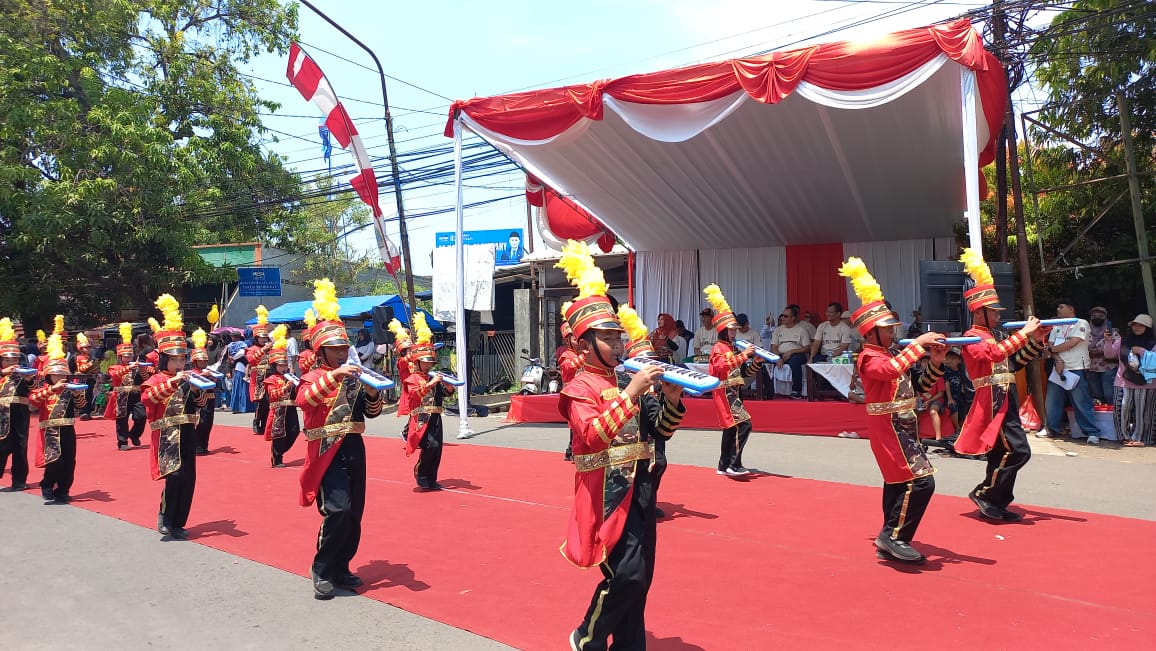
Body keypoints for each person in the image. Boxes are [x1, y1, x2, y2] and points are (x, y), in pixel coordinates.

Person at [553, 240, 684, 650]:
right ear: (584, 345)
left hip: (641, 487)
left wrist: (672, 401)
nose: (618, 345)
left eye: (617, 337)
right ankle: (587, 636)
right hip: (607, 493)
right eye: (608, 338)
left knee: (641, 577)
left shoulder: (627, 383)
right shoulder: (579, 388)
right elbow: (592, 436)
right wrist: (631, 392)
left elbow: (660, 432)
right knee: (625, 575)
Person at [840, 257, 946, 563]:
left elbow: (920, 386)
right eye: (886, 330)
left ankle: (890, 536)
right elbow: (890, 371)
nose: (892, 334)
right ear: (870, 333)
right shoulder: (868, 357)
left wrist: (935, 361)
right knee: (921, 481)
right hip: (888, 428)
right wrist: (919, 344)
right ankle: (894, 536)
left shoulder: (893, 353)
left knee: (898, 483)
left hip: (904, 428)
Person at [295, 279, 385, 600]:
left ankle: (341, 566)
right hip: (325, 451)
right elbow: (304, 401)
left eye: (343, 348)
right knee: (338, 509)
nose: (341, 353)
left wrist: (372, 393)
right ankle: (321, 567)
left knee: (355, 511)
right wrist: (333, 376)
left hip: (353, 448)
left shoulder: (355, 376)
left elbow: (371, 413)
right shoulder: (312, 377)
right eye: (334, 349)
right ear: (321, 351)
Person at [953, 248, 1048, 522]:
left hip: (1006, 397)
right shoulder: (971, 337)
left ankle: (995, 501)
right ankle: (985, 493)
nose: (997, 317)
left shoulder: (995, 336)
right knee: (1019, 451)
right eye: (993, 313)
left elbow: (1014, 362)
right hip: (992, 401)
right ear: (979, 313)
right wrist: (1023, 333)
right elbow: (994, 354)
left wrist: (1035, 340)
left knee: (1002, 453)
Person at [143, 295, 210, 539]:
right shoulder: (157, 379)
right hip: (167, 435)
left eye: (182, 359)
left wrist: (197, 390)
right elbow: (148, 398)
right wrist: (174, 382)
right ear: (164, 359)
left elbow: (201, 405)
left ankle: (179, 522)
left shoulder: (187, 378)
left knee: (189, 477)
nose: (180, 363)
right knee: (174, 476)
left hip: (188, 432)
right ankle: (165, 517)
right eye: (174, 359)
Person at [704, 283, 763, 477]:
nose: (734, 332)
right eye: (731, 330)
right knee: (745, 424)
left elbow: (743, 375)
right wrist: (744, 355)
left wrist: (756, 363)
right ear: (723, 330)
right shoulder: (718, 348)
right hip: (724, 393)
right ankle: (733, 464)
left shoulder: (733, 348)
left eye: (735, 329)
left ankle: (724, 465)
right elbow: (722, 366)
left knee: (731, 429)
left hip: (734, 392)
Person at [31, 330, 86, 504]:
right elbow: (33, 401)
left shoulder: (71, 389)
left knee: (69, 461)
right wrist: (51, 390)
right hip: (50, 431)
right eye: (56, 375)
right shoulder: (44, 390)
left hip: (68, 429)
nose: (60, 377)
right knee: (54, 460)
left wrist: (77, 395)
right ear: (49, 375)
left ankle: (63, 490)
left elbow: (82, 406)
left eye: (63, 374)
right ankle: (47, 485)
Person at [403, 313, 455, 490]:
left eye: (430, 362)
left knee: (438, 448)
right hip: (421, 418)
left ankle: (432, 478)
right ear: (417, 362)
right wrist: (431, 383)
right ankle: (421, 473)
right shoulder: (412, 379)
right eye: (425, 363)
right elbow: (416, 394)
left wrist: (448, 385)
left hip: (436, 417)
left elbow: (446, 394)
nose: (428, 365)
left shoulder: (433, 377)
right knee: (430, 445)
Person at [1043, 299, 1100, 443]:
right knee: (1052, 401)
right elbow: (1050, 344)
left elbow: (1073, 342)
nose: (1058, 309)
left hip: (1077, 368)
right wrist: (1058, 360)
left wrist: (1051, 349)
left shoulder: (1081, 323)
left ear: (1071, 309)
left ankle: (1092, 432)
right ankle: (1051, 428)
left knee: (1081, 402)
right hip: (1059, 368)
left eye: (1061, 306)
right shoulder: (1056, 325)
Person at [1103, 314, 1156, 446]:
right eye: (1135, 325)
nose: (1137, 327)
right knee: (1121, 409)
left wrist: (1141, 351)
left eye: (1142, 325)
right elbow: (1109, 354)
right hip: (1123, 381)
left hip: (1147, 383)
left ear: (1148, 328)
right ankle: (1125, 437)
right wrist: (1108, 341)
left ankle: (1142, 439)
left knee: (1145, 412)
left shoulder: (1153, 343)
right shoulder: (1123, 341)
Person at [0, 317, 33, 492]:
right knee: (1, 444)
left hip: (20, 412)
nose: (11, 363)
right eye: (7, 360)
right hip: (1, 413)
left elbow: (35, 390)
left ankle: (19, 480)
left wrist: (28, 380)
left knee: (20, 446)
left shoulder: (24, 374)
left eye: (14, 360)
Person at [106, 323, 150, 450]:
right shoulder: (114, 367)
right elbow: (115, 375)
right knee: (122, 419)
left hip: (136, 395)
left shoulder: (137, 365)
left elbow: (146, 378)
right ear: (120, 356)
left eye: (130, 355)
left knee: (141, 416)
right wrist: (129, 368)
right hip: (121, 395)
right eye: (126, 355)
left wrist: (142, 369)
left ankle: (134, 434)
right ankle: (122, 442)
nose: (129, 357)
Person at [263, 325, 300, 467]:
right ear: (274, 366)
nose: (284, 367)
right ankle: (277, 457)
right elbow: (272, 394)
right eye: (281, 365)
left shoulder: (290, 376)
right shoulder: (271, 379)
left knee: (294, 431)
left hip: (291, 408)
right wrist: (285, 387)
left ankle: (279, 452)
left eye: (285, 364)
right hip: (278, 410)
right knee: (279, 434)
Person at [771, 306, 811, 399]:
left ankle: (796, 390)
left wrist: (792, 352)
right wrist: (778, 357)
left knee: (795, 362)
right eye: (782, 316)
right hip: (780, 354)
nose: (782, 318)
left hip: (796, 354)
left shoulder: (801, 330)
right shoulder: (778, 330)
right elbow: (774, 347)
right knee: (763, 361)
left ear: (793, 318)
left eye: (786, 316)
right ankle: (768, 390)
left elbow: (807, 348)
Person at [556, 320, 582, 462]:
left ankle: (571, 450)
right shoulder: (566, 355)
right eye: (574, 338)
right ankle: (572, 450)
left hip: (582, 391)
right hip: (572, 392)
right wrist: (585, 356)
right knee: (575, 423)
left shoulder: (580, 353)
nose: (577, 341)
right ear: (567, 341)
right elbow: (569, 367)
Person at [189, 328, 216, 456]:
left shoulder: (209, 370)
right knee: (200, 422)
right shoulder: (192, 372)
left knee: (208, 423)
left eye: (205, 360)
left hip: (210, 399)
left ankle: (204, 445)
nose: (203, 362)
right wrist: (202, 376)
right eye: (201, 360)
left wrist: (212, 376)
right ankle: (197, 445)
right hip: (199, 400)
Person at [247, 307, 273, 435]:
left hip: (269, 379)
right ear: (256, 338)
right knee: (260, 404)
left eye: (265, 337)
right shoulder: (251, 349)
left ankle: (266, 425)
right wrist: (263, 350)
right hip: (258, 380)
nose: (264, 340)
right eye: (261, 338)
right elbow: (251, 359)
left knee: (268, 403)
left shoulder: (271, 349)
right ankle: (256, 422)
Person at [1086, 306, 1117, 405]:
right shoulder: (1085, 333)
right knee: (1097, 398)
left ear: (1105, 317)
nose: (1097, 318)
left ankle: (1115, 414)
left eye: (1100, 316)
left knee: (1110, 395)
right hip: (1091, 369)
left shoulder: (1112, 332)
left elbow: (1118, 351)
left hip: (1108, 368)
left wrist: (1101, 352)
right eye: (1094, 316)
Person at [73, 332, 98, 420]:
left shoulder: (90, 357)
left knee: (90, 395)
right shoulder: (78, 357)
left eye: (89, 347)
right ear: (80, 348)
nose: (88, 349)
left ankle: (88, 412)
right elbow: (81, 369)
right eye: (85, 347)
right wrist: (90, 363)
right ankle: (83, 412)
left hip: (90, 378)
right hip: (82, 379)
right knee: (84, 395)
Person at [226, 332, 253, 413]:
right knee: (241, 387)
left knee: (240, 387)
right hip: (239, 366)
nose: (232, 338)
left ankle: (240, 407)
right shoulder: (232, 345)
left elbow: (242, 353)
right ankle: (240, 407)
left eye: (233, 336)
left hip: (241, 366)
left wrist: (233, 358)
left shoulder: (241, 344)